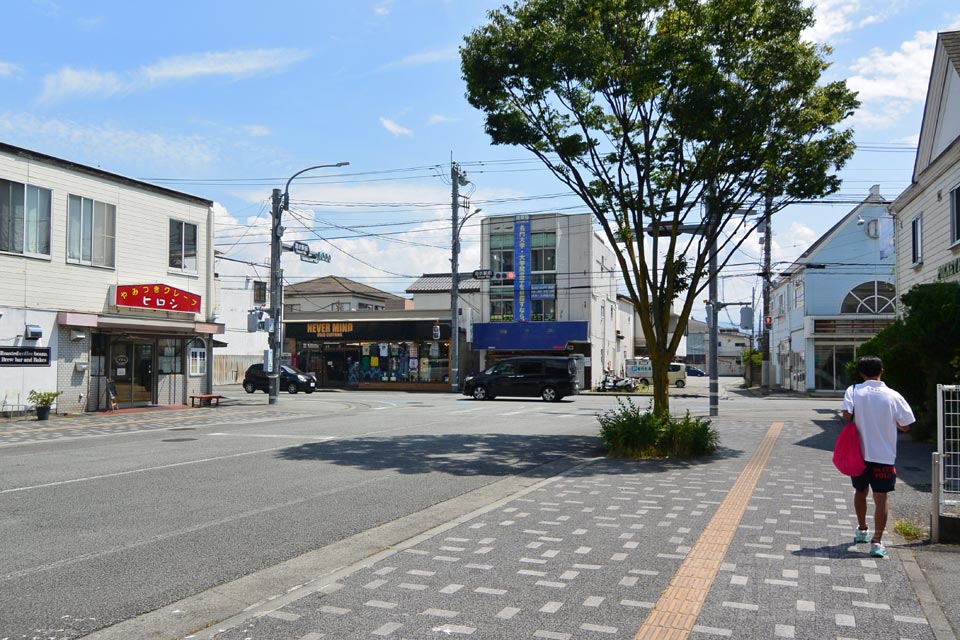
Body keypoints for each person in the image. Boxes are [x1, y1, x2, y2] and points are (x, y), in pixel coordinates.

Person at [841, 356, 915, 558]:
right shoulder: (893, 395)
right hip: (884, 456)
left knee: (860, 491)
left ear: (861, 373)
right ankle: (877, 541)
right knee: (881, 497)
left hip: (859, 454)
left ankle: (862, 529)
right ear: (881, 370)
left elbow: (846, 415)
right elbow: (906, 425)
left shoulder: (853, 390)